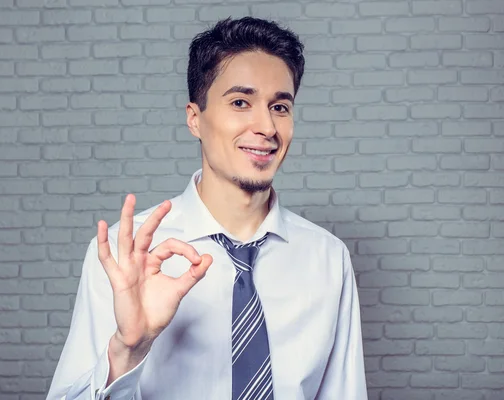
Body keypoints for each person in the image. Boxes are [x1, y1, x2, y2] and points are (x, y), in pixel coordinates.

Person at [47, 17, 367, 400]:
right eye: (240, 102)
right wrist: (128, 349)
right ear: (195, 119)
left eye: (280, 106)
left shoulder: (327, 258)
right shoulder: (126, 255)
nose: (266, 125)